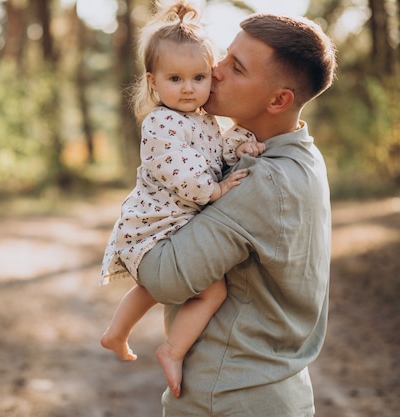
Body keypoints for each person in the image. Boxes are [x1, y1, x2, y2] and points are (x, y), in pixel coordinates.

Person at [136, 10, 337, 416]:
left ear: (279, 99)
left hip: (227, 396)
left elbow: (164, 278)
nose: (215, 70)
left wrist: (145, 210)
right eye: (225, 57)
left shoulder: (261, 180)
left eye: (236, 68)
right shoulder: (303, 156)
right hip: (276, 393)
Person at [99, 0, 265, 399]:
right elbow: (182, 174)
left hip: (170, 230)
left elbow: (215, 153)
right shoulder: (160, 122)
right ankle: (172, 350)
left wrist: (242, 142)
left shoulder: (202, 120)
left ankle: (115, 333)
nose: (189, 88)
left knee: (154, 288)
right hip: (155, 229)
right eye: (175, 78)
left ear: (211, 77)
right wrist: (217, 191)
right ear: (153, 82)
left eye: (199, 77)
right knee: (213, 291)